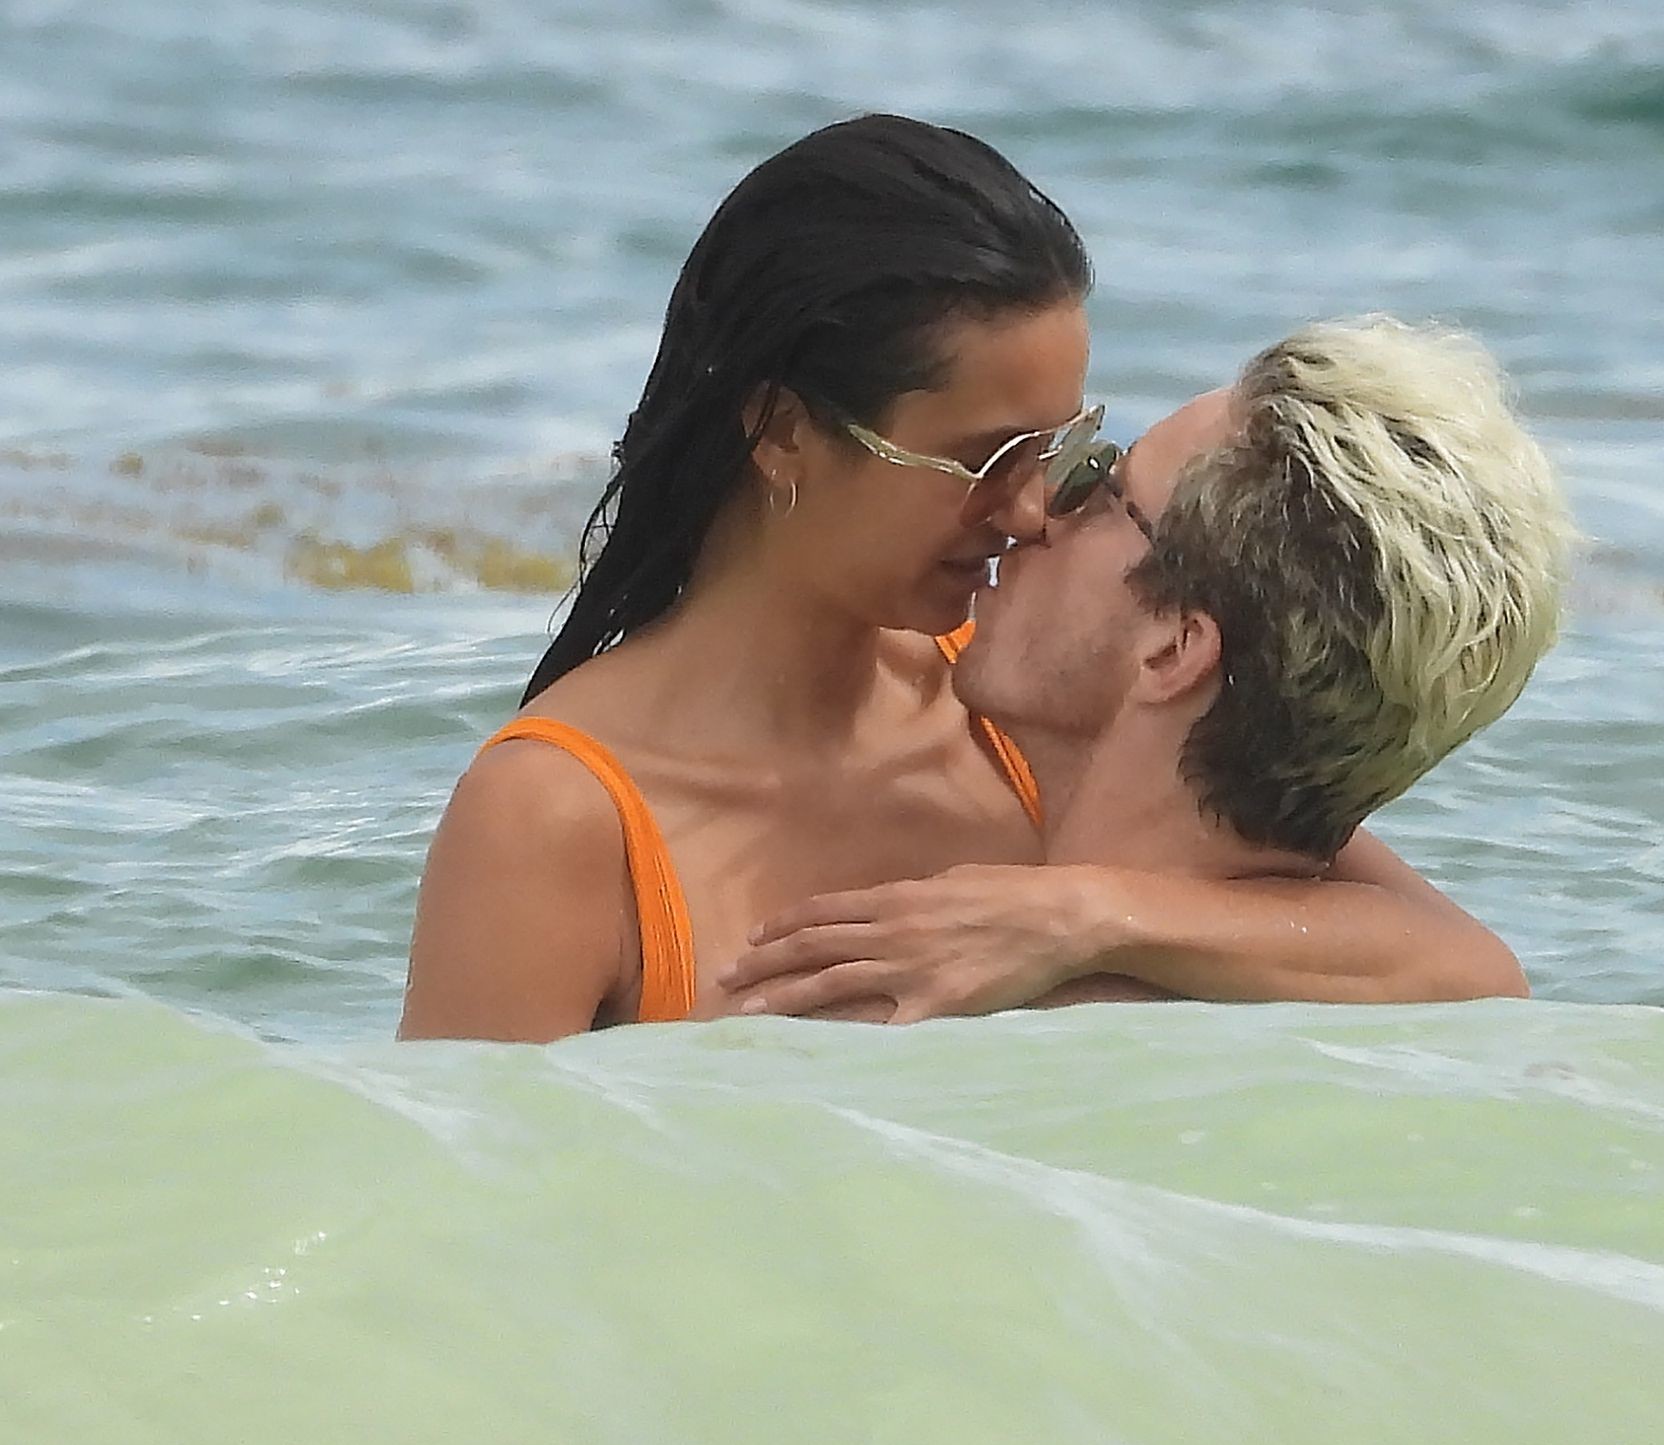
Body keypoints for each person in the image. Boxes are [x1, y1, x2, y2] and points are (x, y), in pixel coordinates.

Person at [398, 116, 1525, 1043]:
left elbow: (1464, 967)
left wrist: (1082, 913)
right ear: (784, 433)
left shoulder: (1018, 708)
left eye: (1061, 449)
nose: (1034, 509)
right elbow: (454, 1205)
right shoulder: (557, 820)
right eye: (989, 458)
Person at [718, 316, 1571, 1021]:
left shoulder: (903, 1011)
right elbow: (1484, 973)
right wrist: (1090, 912)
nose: (1037, 511)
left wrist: (1083, 916)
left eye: (1098, 484)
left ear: (1173, 649)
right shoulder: (1398, 1000)